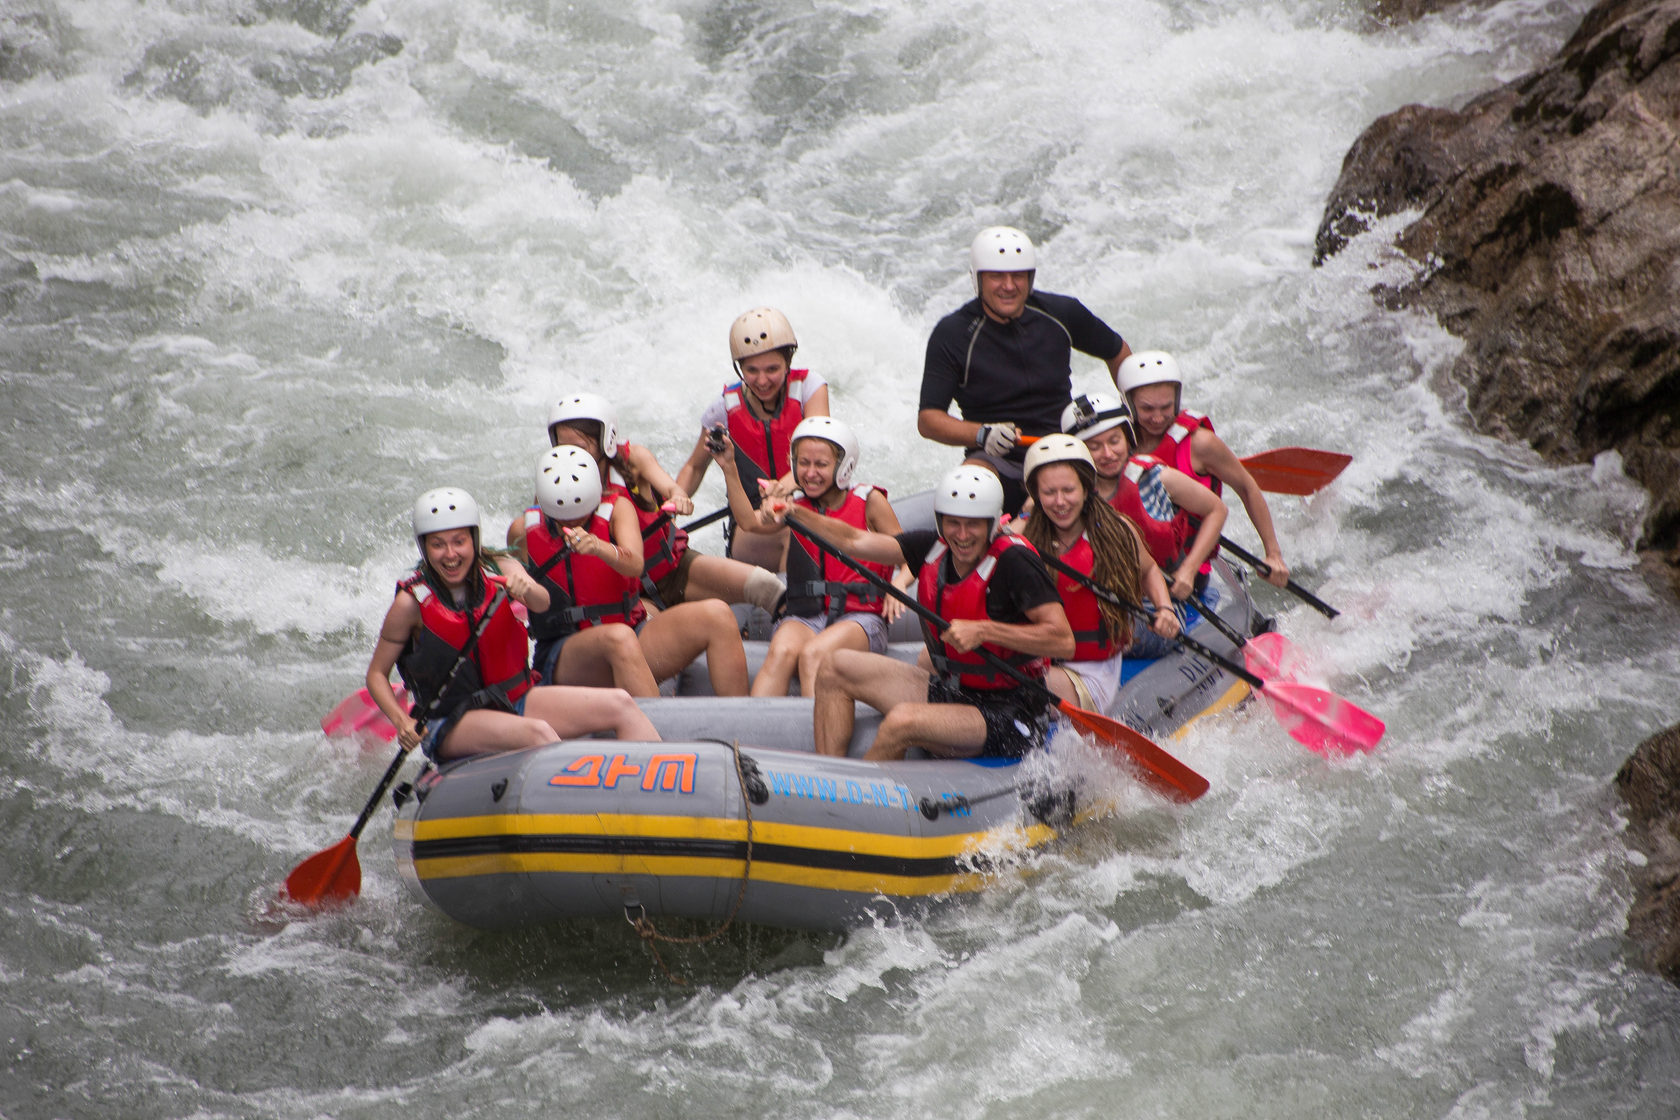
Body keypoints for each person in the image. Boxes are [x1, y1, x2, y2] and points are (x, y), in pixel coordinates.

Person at [774, 465, 1074, 761]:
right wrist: (794, 512)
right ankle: (830, 776)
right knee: (834, 666)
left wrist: (984, 631)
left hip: (1011, 712)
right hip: (954, 691)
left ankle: (860, 795)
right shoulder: (933, 547)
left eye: (973, 524)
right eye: (953, 523)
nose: (962, 535)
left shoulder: (1015, 562)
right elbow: (855, 541)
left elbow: (1062, 640)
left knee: (902, 721)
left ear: (992, 523)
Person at [365, 487, 660, 762]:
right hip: (453, 719)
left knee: (621, 704)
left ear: (474, 540)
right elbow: (377, 674)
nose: (451, 554)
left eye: (459, 541)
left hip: (515, 698)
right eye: (438, 545)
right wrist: (402, 721)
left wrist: (526, 589)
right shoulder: (410, 603)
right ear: (424, 548)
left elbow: (542, 602)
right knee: (539, 734)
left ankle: (662, 794)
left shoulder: (500, 568)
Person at [917, 226, 1134, 515]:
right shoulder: (953, 334)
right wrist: (982, 434)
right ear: (978, 279)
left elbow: (1118, 352)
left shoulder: (1061, 313)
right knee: (970, 481)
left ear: (1030, 278)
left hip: (1064, 449)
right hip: (997, 459)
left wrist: (1131, 419)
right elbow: (928, 420)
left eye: (1018, 276)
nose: (1009, 286)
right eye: (997, 276)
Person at [513, 393, 785, 618]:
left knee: (764, 585)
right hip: (627, 593)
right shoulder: (554, 483)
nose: (571, 454)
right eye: (563, 445)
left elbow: (671, 488)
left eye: (581, 445)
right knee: (657, 639)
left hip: (674, 569)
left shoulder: (633, 459)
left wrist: (679, 498)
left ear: (605, 439)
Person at [511, 446, 750, 697]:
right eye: (564, 518)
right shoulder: (522, 532)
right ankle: (655, 733)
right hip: (565, 652)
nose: (573, 523)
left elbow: (635, 563)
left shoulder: (617, 508)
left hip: (630, 631)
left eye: (580, 515)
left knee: (718, 615)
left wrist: (600, 547)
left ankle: (740, 724)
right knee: (619, 639)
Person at [713, 416, 905, 697]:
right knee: (781, 652)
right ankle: (752, 734)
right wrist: (729, 467)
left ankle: (814, 736)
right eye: (804, 463)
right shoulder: (795, 506)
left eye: (821, 465)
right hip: (807, 615)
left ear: (843, 466)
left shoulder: (871, 501)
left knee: (815, 654)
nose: (811, 473)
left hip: (861, 618)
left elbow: (907, 555)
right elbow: (747, 522)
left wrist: (898, 586)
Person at [1013, 435, 1180, 713]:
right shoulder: (1021, 537)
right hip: (1042, 660)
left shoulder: (1116, 531)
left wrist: (1164, 609)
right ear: (1036, 495)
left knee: (1008, 683)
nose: (1060, 502)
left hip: (1091, 672)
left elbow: (1150, 569)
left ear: (1086, 487)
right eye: (1049, 492)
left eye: (1069, 490)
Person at [675, 307, 831, 571]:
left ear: (788, 363)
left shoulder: (810, 389)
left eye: (772, 369)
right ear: (740, 368)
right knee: (793, 529)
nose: (762, 380)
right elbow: (694, 467)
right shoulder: (722, 409)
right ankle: (791, 606)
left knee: (800, 523)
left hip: (811, 507)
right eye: (751, 370)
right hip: (754, 521)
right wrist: (673, 503)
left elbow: (823, 452)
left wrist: (781, 488)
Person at [1117, 350, 1290, 587]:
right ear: (1129, 405)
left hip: (1184, 571)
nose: (1158, 418)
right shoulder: (1116, 444)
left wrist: (1273, 554)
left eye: (1166, 407)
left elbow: (1246, 487)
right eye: (1147, 409)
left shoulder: (1201, 444)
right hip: (1133, 567)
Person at [1060, 391, 1226, 603]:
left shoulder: (1154, 476)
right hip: (1104, 599)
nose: (1108, 453)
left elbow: (1217, 510)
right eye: (1094, 447)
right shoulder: (1065, 492)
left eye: (1114, 441)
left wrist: (1189, 570)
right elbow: (1029, 516)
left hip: (1165, 597)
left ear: (1128, 439)